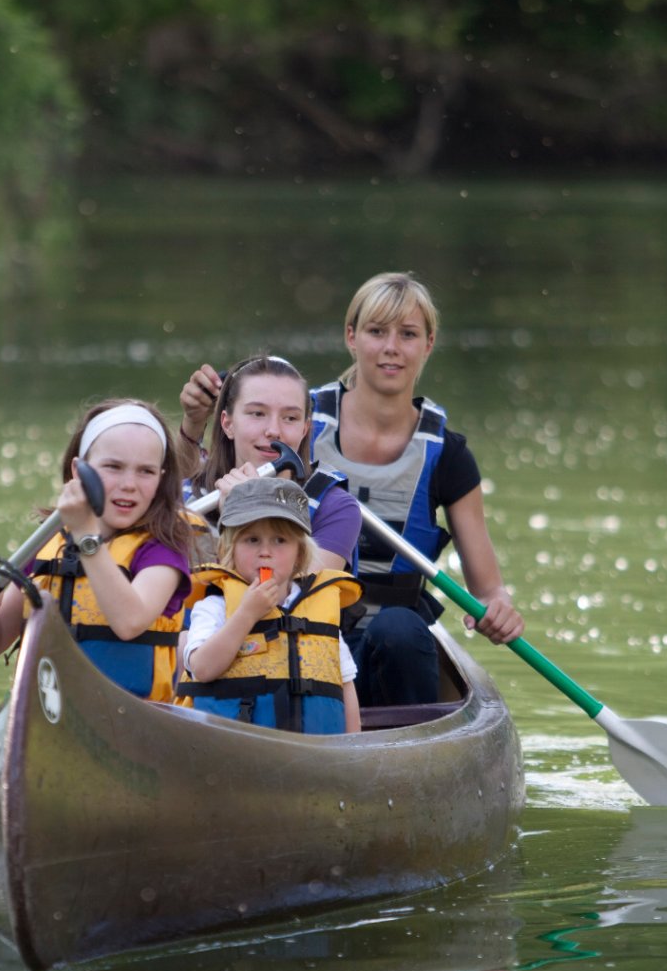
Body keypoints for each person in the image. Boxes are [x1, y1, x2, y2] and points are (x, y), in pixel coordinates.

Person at [186, 273, 523, 707]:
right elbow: (209, 448)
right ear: (351, 336)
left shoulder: (447, 457)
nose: (391, 348)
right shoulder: (290, 412)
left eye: (408, 334)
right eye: (377, 331)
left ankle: (412, 747)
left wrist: (498, 607)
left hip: (372, 640)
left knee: (399, 629)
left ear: (429, 343)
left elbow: (488, 589)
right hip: (257, 630)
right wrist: (192, 424)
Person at [0, 400, 192, 702]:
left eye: (145, 471)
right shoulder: (49, 542)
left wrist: (86, 538)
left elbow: (130, 622)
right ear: (78, 470)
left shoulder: (163, 549)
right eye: (113, 467)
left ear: (161, 478)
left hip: (129, 714)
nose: (129, 484)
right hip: (47, 709)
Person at [179, 478, 362, 735]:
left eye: (280, 540)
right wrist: (246, 614)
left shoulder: (320, 610)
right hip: (235, 755)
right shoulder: (214, 606)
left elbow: (344, 685)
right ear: (228, 549)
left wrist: (352, 749)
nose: (265, 551)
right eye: (252, 540)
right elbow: (203, 668)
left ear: (299, 553)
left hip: (315, 759)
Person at [175, 354, 361, 571]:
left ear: (305, 429)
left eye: (290, 418)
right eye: (257, 413)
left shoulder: (335, 507)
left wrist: (246, 514)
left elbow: (294, 598)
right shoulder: (187, 498)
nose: (274, 430)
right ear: (228, 424)